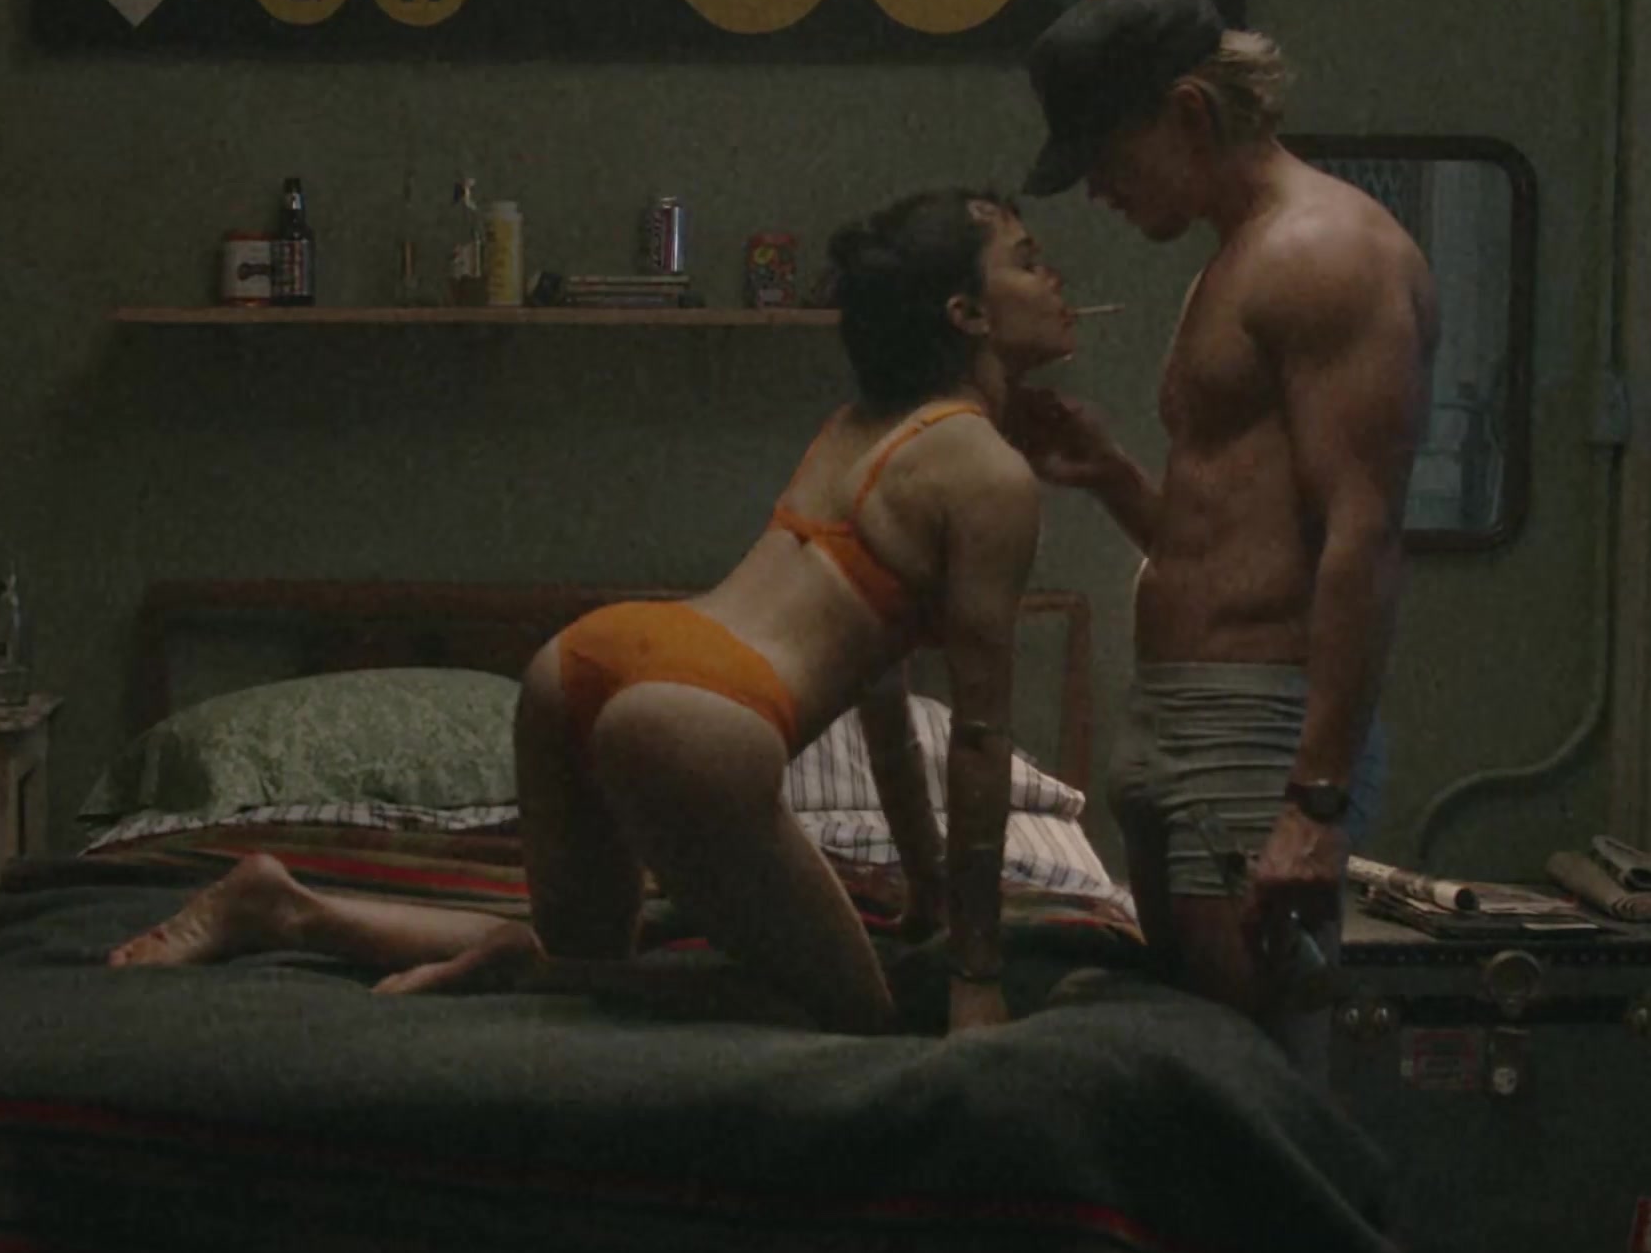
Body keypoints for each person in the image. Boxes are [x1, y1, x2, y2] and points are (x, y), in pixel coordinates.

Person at [109, 190, 1077, 1037]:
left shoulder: (858, 424)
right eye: (1029, 262)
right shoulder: (988, 473)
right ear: (966, 314)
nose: (1057, 279)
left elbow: (883, 692)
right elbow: (978, 741)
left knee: (591, 966)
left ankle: (286, 907)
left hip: (592, 659)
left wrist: (924, 889)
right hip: (697, 717)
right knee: (854, 1017)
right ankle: (517, 967)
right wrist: (976, 976)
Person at [1004, 0, 1436, 1077]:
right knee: (1202, 1074)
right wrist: (1110, 475)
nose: (1097, 188)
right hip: (1187, 717)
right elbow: (1230, 543)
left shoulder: (1326, 253)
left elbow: (1364, 537)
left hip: (1255, 732)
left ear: (1189, 112)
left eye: (1107, 154)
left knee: (1254, 1080)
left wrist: (1315, 803)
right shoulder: (1237, 255)